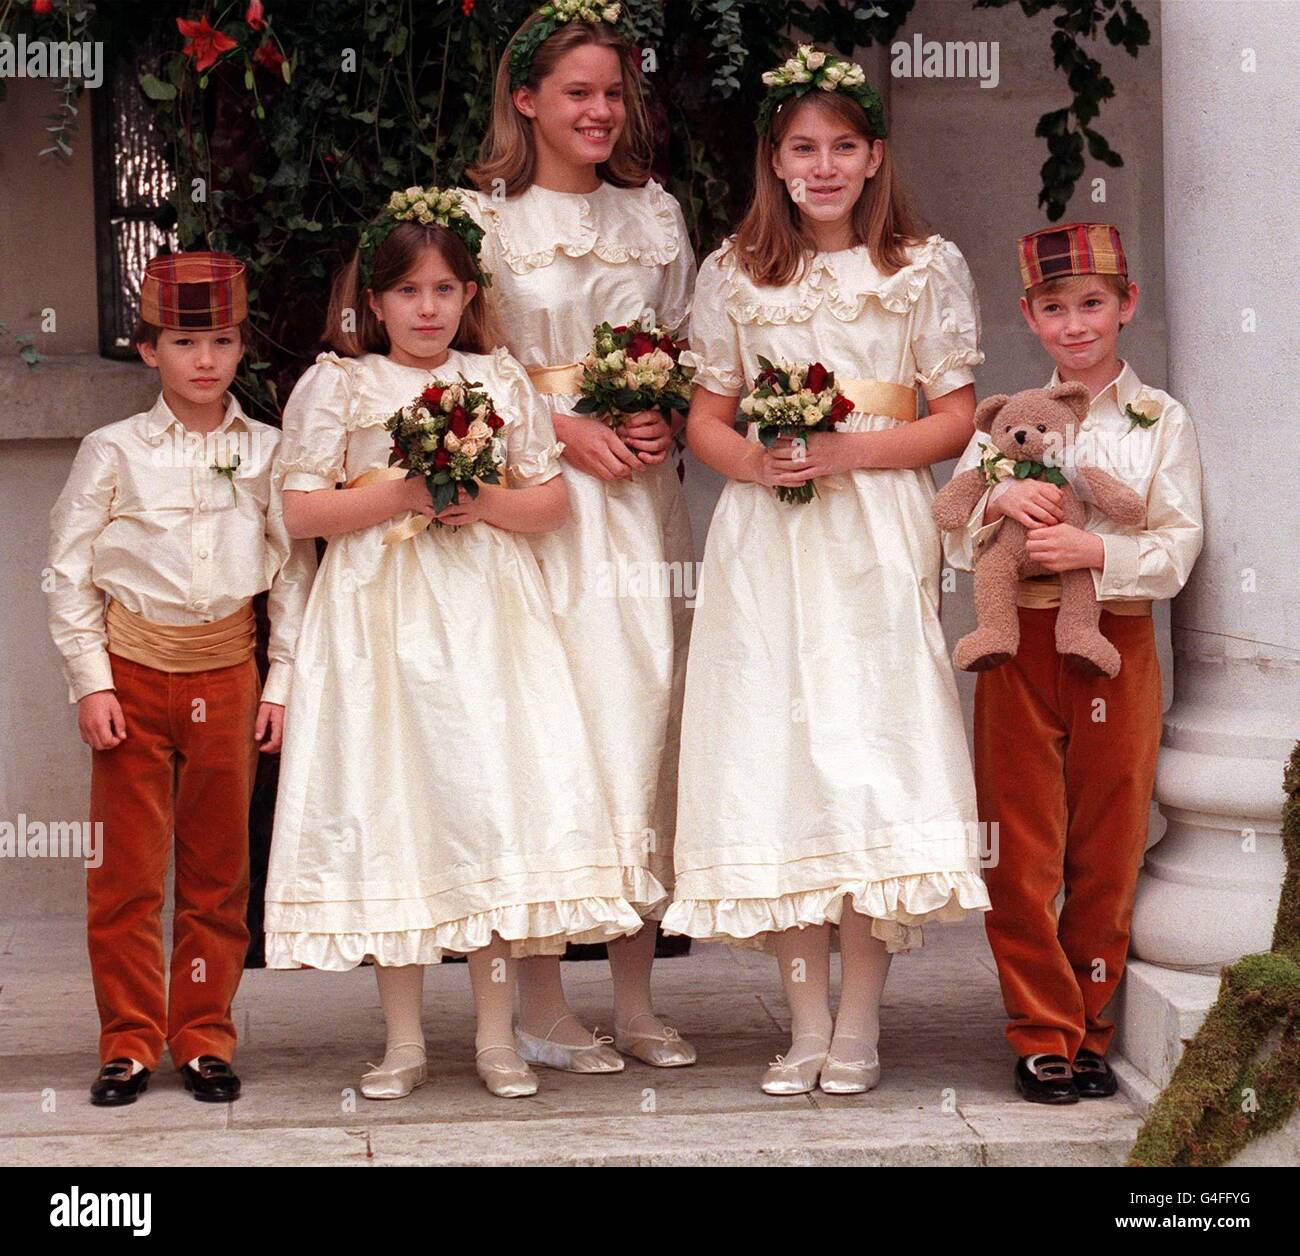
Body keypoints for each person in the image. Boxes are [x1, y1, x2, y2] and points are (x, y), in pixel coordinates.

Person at [263, 186, 644, 1100]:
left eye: (445, 289)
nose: (428, 309)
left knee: (489, 808)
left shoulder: (500, 378)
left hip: (487, 620)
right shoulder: (340, 382)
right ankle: (401, 1041)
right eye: (408, 293)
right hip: (380, 624)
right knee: (400, 812)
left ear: (471, 294)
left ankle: (496, 1037)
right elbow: (296, 507)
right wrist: (400, 493)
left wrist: (476, 500)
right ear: (374, 302)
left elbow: (548, 502)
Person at [661, 45, 990, 1096]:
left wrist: (848, 449)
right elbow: (704, 415)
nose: (823, 165)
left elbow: (954, 415)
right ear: (775, 159)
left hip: (873, 526)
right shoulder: (735, 272)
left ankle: (858, 1020)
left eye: (843, 145)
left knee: (867, 748)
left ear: (874, 154)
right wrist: (753, 459)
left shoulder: (920, 266)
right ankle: (802, 1022)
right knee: (778, 757)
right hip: (768, 537)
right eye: (802, 147)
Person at [460, 0, 698, 1072]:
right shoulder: (482, 223)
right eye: (577, 92)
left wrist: (662, 407)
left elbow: (695, 347)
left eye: (614, 92)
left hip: (640, 503)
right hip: (536, 496)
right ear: (526, 100)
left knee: (640, 715)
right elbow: (458, 361)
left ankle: (639, 991)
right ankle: (544, 1001)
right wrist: (558, 423)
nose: (601, 110)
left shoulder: (656, 216)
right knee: (548, 730)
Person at [46, 251, 316, 1105]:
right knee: (124, 873)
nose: (205, 360)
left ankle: (202, 1034)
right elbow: (66, 572)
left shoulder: (270, 453)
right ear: (148, 350)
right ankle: (127, 1041)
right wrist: (91, 683)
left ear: (243, 351)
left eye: (224, 341)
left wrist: (278, 686)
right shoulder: (111, 451)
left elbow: (294, 576)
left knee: (218, 871)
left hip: (227, 676)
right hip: (131, 674)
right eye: (184, 341)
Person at [943, 221, 1203, 1103]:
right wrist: (997, 503)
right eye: (1055, 308)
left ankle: (1092, 1025)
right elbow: (952, 543)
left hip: (1112, 645)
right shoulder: (1005, 422)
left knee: (1110, 837)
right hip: (1016, 643)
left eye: (1092, 303)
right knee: (1019, 845)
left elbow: (1178, 542)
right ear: (1030, 315)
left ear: (1126, 305)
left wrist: (1098, 557)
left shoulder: (1159, 420)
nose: (1076, 323)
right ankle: (1041, 1030)